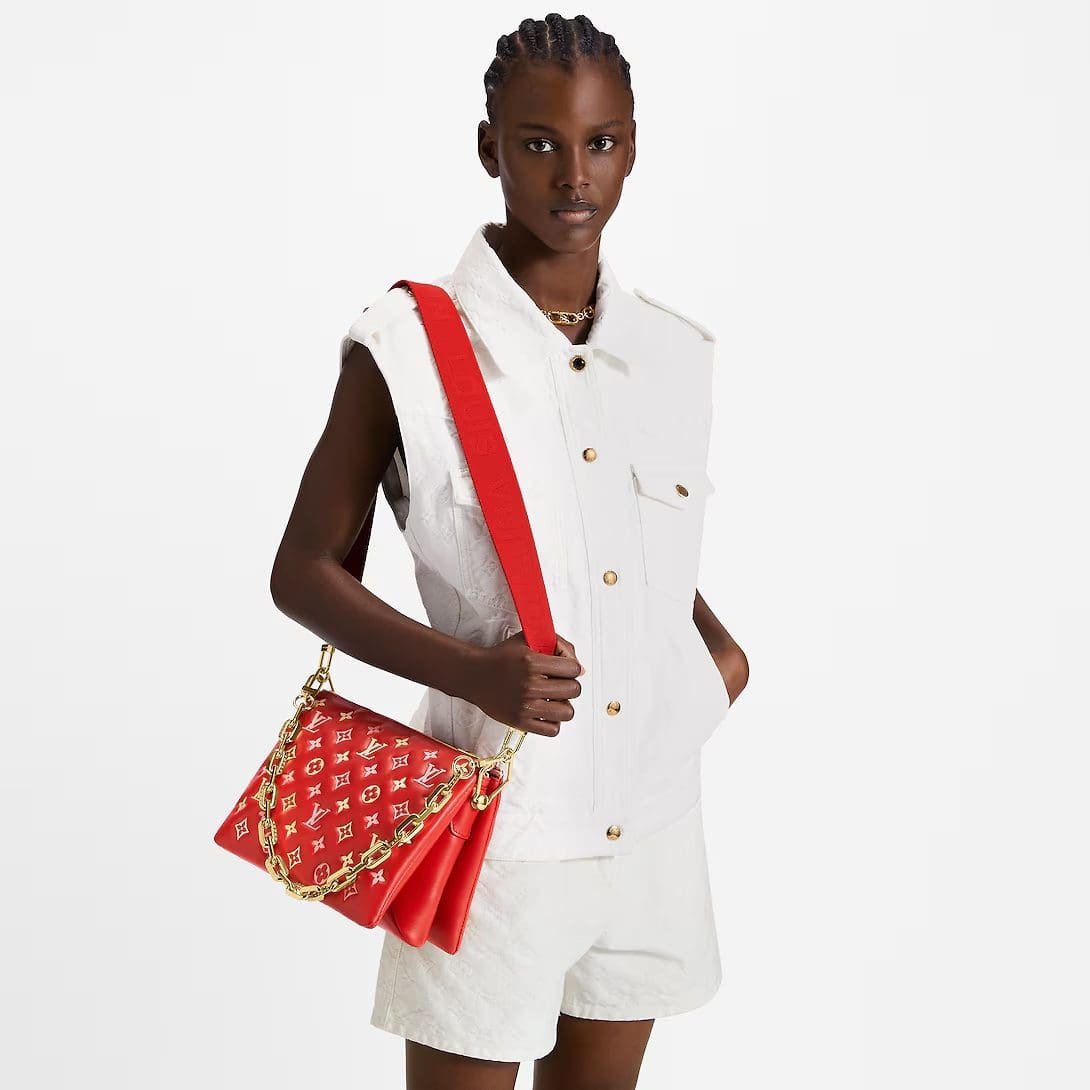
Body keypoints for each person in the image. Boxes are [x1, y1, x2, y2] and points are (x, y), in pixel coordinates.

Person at [269, 12, 749, 1090]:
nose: (574, 176)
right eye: (538, 143)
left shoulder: (672, 351)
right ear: (489, 148)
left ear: (633, 145)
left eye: (601, 142)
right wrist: (472, 672)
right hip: (497, 836)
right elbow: (300, 572)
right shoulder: (407, 348)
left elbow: (641, 549)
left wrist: (718, 667)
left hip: (652, 826)